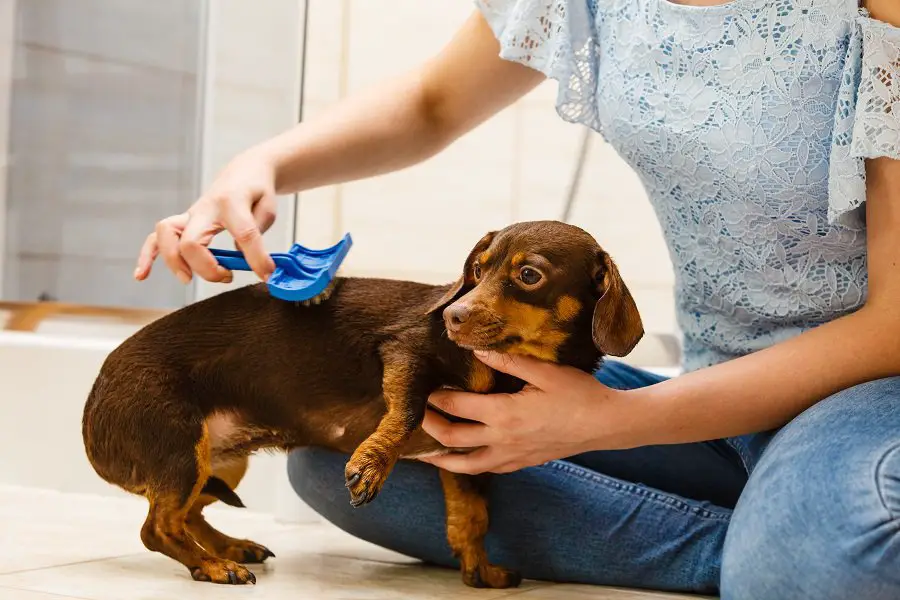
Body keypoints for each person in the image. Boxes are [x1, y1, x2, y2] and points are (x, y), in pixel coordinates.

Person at [134, 1, 900, 597]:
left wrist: (621, 422)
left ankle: (787, 552)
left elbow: (894, 324)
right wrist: (261, 165)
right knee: (344, 457)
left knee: (820, 565)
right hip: (721, 391)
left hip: (871, 390)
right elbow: (434, 103)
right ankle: (764, 542)